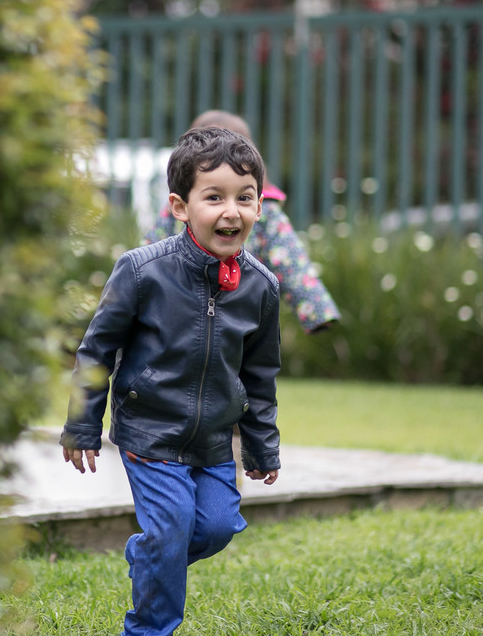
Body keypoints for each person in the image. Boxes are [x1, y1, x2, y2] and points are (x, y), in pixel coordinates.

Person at [60, 126, 281, 636]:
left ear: (260, 207)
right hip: (150, 432)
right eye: (215, 197)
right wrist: (82, 426)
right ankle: (149, 629)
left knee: (218, 527)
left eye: (245, 198)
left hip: (212, 443)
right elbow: (97, 349)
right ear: (181, 207)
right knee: (173, 525)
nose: (232, 211)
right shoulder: (142, 272)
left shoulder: (262, 287)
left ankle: (150, 553)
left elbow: (260, 375)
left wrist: (262, 447)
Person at [145, 110, 339, 334]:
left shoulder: (266, 211)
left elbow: (291, 260)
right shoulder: (178, 205)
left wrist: (317, 310)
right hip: (183, 303)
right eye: (214, 197)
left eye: (244, 198)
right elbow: (151, 252)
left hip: (239, 302)